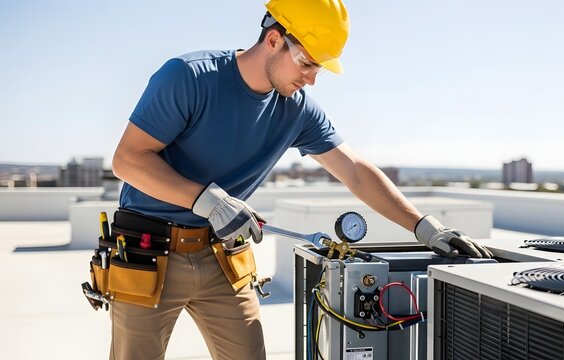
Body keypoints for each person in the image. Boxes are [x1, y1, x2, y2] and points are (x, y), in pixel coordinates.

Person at [110, 0, 493, 359]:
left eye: (319, 69)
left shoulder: (296, 110)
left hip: (219, 254)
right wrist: (209, 201)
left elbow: (355, 170)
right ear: (274, 39)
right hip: (150, 251)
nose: (311, 80)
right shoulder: (190, 77)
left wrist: (423, 226)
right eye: (307, 64)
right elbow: (128, 159)